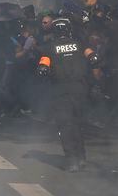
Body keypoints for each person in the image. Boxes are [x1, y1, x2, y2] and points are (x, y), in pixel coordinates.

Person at [36, 17, 102, 172]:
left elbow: (42, 68)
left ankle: (72, 160)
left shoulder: (49, 48)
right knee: (78, 123)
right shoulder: (80, 44)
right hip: (80, 90)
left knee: (66, 125)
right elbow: (94, 58)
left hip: (61, 92)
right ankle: (81, 157)